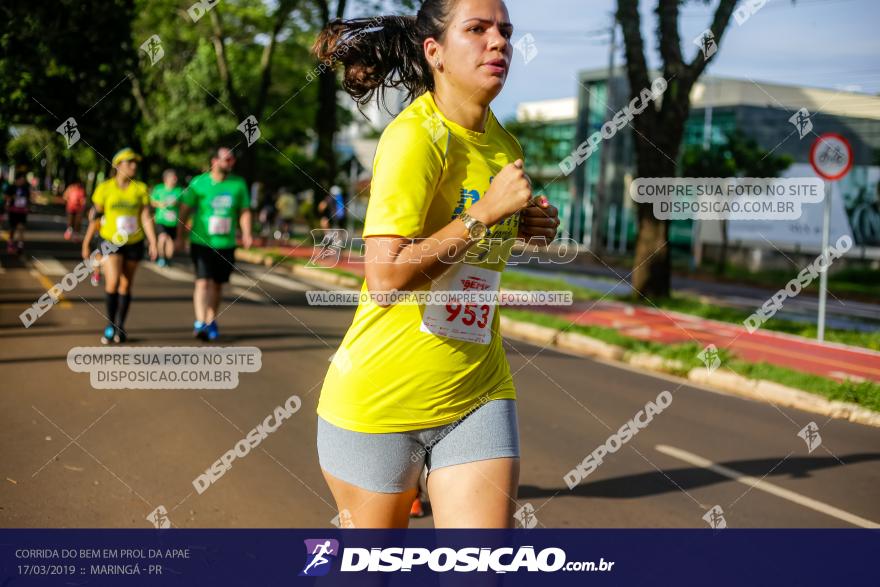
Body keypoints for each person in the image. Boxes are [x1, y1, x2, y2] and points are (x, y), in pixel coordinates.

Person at [312, 0, 560, 529]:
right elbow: (385, 278)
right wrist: (485, 213)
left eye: (505, 32)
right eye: (477, 29)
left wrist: (523, 226)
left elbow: (468, 257)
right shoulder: (414, 138)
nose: (499, 42)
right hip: (382, 403)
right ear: (435, 52)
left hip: (478, 390)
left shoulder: (504, 143)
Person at [81, 148, 158, 344]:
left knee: (126, 284)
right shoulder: (105, 188)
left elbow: (145, 215)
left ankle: (120, 326)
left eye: (135, 163)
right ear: (117, 165)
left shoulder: (140, 187)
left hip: (134, 241)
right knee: (113, 281)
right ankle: (110, 324)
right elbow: (95, 217)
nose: (134, 166)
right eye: (129, 162)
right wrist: (86, 241)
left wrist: (153, 241)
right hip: (110, 241)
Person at [176, 147, 253, 342]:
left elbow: (244, 211)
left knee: (217, 285)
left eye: (231, 160)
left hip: (226, 243)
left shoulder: (238, 184)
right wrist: (180, 236)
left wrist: (247, 233)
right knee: (202, 282)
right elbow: (184, 210)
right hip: (201, 242)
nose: (229, 163)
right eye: (226, 159)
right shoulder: (199, 183)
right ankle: (200, 321)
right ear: (214, 161)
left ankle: (211, 320)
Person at [150, 169, 183, 267]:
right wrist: (160, 204)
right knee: (163, 237)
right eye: (173, 177)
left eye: (176, 177)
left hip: (173, 221)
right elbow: (152, 202)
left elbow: (183, 205)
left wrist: (176, 203)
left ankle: (168, 258)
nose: (175, 179)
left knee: (170, 243)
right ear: (166, 179)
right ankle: (161, 258)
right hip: (161, 220)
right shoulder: (158, 188)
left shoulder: (179, 190)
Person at [4, 167, 31, 254]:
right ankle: (11, 243)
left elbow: (28, 199)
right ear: (17, 180)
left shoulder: (25, 188)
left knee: (21, 227)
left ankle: (20, 244)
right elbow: (6, 197)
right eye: (21, 180)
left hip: (22, 211)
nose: (22, 182)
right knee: (12, 228)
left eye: (23, 180)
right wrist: (11, 199)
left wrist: (28, 207)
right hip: (13, 211)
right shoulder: (11, 187)